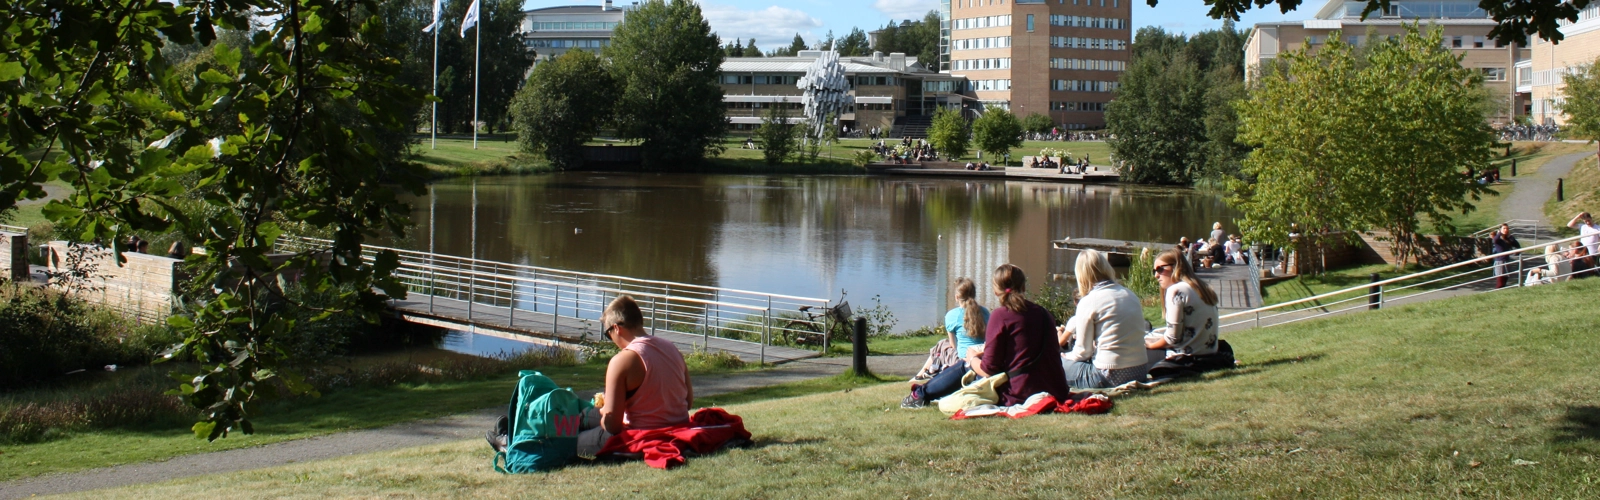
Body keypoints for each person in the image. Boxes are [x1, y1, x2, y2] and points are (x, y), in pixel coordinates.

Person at [575, 296, 692, 458]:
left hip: (641, 435)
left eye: (608, 334)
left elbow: (612, 426)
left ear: (616, 328)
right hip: (679, 427)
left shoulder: (622, 360)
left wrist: (605, 411)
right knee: (585, 416)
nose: (611, 340)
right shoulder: (672, 348)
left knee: (570, 441)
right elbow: (688, 402)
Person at [971, 264, 1072, 406]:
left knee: (964, 368)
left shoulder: (1000, 316)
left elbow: (988, 370)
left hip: (1021, 392)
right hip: (1056, 389)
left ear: (995, 291)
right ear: (1024, 287)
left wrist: (971, 359)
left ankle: (934, 394)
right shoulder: (1044, 314)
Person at [1058, 250, 1150, 389]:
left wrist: (1066, 356)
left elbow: (1083, 352)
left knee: (1054, 362)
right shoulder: (1130, 294)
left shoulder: (1089, 301)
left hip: (1109, 375)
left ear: (1081, 275)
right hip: (1140, 371)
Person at [903, 278, 990, 408]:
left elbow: (953, 345)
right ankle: (924, 373)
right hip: (980, 357)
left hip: (962, 360)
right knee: (942, 344)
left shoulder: (952, 315)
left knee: (942, 344)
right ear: (974, 294)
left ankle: (921, 374)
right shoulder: (985, 312)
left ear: (957, 297)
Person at [1145, 248, 1221, 360]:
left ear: (1175, 267)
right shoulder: (1202, 286)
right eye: (1154, 271)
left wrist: (1150, 345)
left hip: (1185, 358)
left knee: (1135, 349)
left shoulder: (1176, 290)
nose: (1156, 275)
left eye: (1160, 269)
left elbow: (1173, 338)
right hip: (1209, 355)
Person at [1489, 223, 1521, 288]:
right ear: (1500, 229)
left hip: (1506, 261)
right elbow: (1495, 240)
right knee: (1500, 283)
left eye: (1507, 228)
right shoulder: (1498, 239)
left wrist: (1511, 238)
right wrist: (1499, 233)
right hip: (1499, 261)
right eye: (1504, 228)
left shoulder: (1507, 239)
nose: (1506, 230)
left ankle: (1501, 291)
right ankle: (1497, 292)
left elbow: (1517, 246)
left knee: (1505, 280)